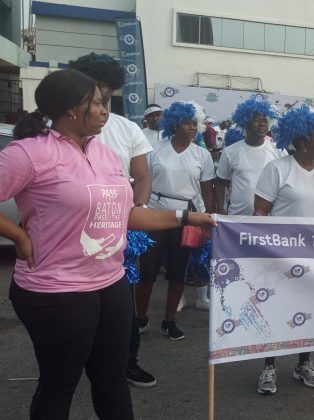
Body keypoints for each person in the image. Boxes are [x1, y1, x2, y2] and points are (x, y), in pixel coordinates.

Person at [0, 69, 216, 419]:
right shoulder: (29, 153)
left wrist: (188, 218)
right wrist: (19, 235)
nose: (105, 111)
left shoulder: (104, 154)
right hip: (56, 290)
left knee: (111, 378)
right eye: (98, 103)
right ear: (70, 109)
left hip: (111, 282)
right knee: (60, 383)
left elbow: (127, 215)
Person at [68, 52, 157, 389]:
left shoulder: (127, 128)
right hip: (72, 232)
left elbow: (142, 177)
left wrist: (138, 209)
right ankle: (72, 367)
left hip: (119, 229)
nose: (102, 92)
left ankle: (127, 362)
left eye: (106, 86)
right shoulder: (59, 127)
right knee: (76, 305)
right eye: (94, 84)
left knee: (122, 301)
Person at [252, 106, 314, 394]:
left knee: (306, 309)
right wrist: (273, 247)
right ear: (302, 143)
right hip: (279, 255)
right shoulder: (277, 169)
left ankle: (304, 363)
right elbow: (260, 212)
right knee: (276, 310)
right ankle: (269, 367)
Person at [136, 101, 217, 341]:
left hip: (187, 218)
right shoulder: (155, 149)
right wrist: (139, 209)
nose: (192, 128)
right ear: (174, 123)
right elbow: (143, 180)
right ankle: (140, 318)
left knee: (177, 272)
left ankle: (169, 321)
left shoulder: (202, 154)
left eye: (195, 123)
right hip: (155, 216)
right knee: (147, 271)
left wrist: (208, 217)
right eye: (186, 123)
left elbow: (207, 190)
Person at [216, 97, 285, 216]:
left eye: (265, 120)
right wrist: (221, 209)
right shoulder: (230, 152)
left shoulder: (279, 151)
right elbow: (220, 182)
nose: (262, 123)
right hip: (236, 218)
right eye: (257, 120)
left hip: (268, 220)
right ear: (245, 123)